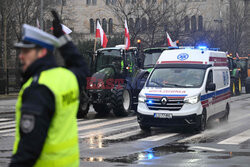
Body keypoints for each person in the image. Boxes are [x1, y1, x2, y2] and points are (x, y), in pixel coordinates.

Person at [9, 11, 89, 167]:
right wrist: (62, 39)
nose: (21, 56)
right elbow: (81, 66)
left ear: (42, 51)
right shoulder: (67, 78)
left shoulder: (38, 89)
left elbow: (28, 150)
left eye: (26, 51)